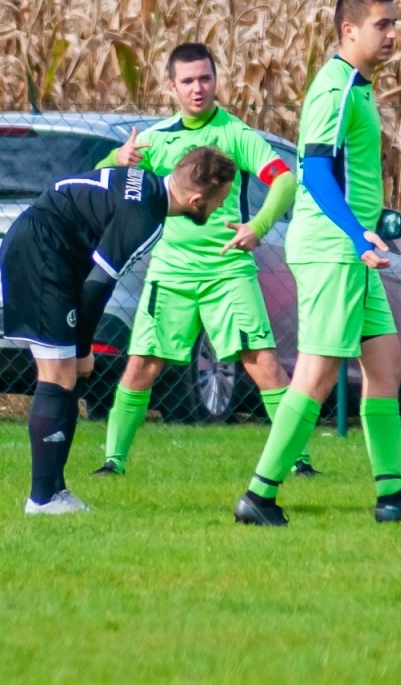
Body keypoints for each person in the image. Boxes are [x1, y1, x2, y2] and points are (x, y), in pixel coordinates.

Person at [235, 0, 401, 526]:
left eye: (395, 24)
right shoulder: (334, 89)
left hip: (352, 250)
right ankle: (259, 497)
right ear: (348, 30)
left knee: (386, 364)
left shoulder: (358, 88)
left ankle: (392, 495)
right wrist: (358, 238)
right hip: (336, 251)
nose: (393, 34)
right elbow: (313, 171)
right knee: (317, 374)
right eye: (383, 24)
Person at [88, 43, 306, 477]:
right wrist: (118, 159)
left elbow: (284, 181)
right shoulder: (156, 139)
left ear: (216, 81)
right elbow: (98, 179)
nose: (198, 88)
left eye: (205, 78)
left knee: (263, 363)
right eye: (187, 81)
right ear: (172, 86)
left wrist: (257, 227)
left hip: (228, 273)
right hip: (169, 274)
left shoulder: (236, 135)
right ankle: (113, 463)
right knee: (141, 365)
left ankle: (297, 461)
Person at [0, 146, 236, 515]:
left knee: (64, 381)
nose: (220, 207)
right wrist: (83, 348)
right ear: (196, 199)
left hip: (38, 244)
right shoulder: (146, 217)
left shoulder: (147, 186)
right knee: (59, 375)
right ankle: (42, 498)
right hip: (42, 253)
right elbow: (98, 285)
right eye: (220, 200)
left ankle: (56, 491)